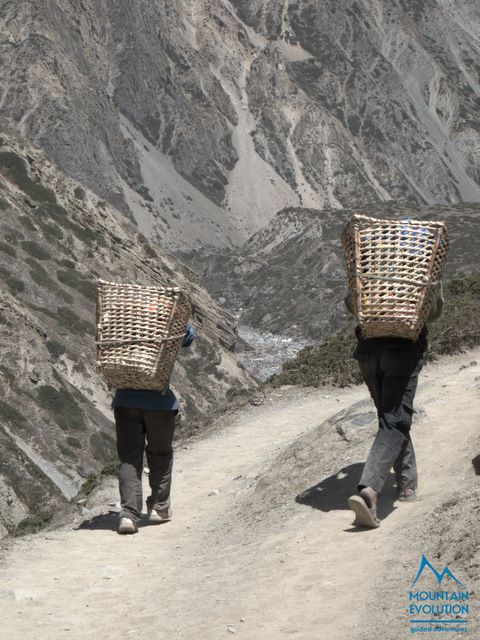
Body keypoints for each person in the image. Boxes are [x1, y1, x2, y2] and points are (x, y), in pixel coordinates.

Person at [345, 283, 444, 528]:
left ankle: (407, 485)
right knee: (396, 420)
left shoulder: (366, 264)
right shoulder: (422, 266)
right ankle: (371, 490)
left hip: (368, 350)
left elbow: (350, 303)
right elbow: (434, 311)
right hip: (402, 350)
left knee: (391, 418)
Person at [113, 324, 197, 534]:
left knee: (129, 458)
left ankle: (129, 515)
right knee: (160, 453)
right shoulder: (162, 319)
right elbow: (187, 337)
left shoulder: (121, 319)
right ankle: (159, 507)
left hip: (126, 400)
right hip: (160, 403)